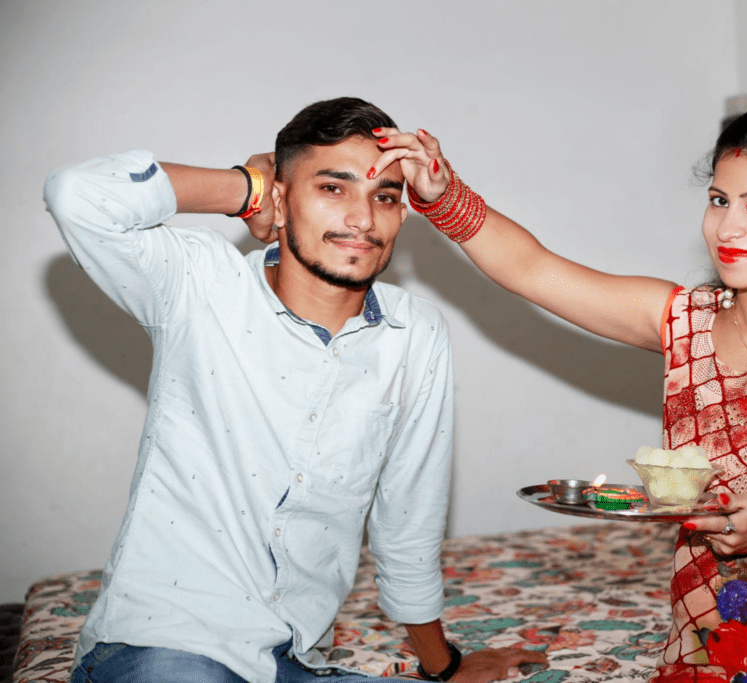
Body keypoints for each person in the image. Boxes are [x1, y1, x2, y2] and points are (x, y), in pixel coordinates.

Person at [333, 106, 747, 682]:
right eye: (718, 199)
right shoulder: (686, 320)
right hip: (717, 633)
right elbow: (535, 269)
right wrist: (443, 193)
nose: (729, 227)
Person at [44, 97, 545, 683]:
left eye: (383, 196)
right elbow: (78, 195)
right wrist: (246, 188)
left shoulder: (416, 334)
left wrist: (445, 669)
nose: (362, 219)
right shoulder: (201, 285)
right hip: (164, 647)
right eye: (333, 188)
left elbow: (408, 523)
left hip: (292, 664)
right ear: (283, 199)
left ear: (400, 217)